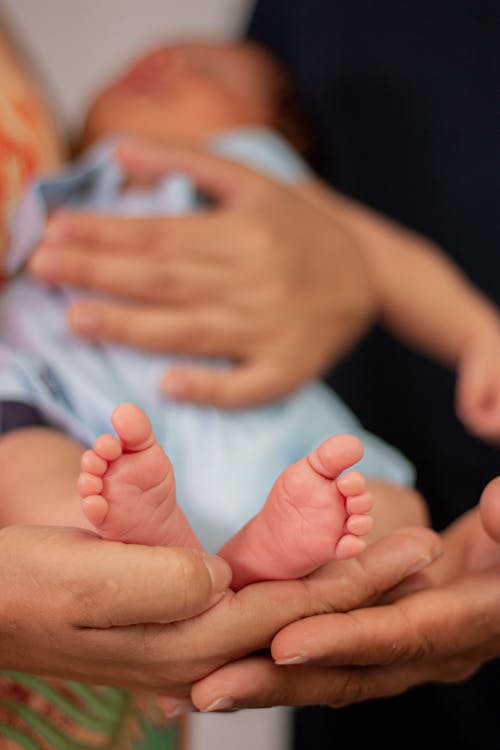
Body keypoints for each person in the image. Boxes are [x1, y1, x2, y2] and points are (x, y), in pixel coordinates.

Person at [21, 10, 500, 749]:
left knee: (388, 514)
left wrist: (475, 330)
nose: (166, 65)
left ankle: (248, 560)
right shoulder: (43, 192)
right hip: (66, 408)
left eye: (209, 72)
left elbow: (380, 256)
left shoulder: (243, 169)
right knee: (25, 469)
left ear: (281, 135)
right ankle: (151, 553)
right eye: (148, 60)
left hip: (245, 428)